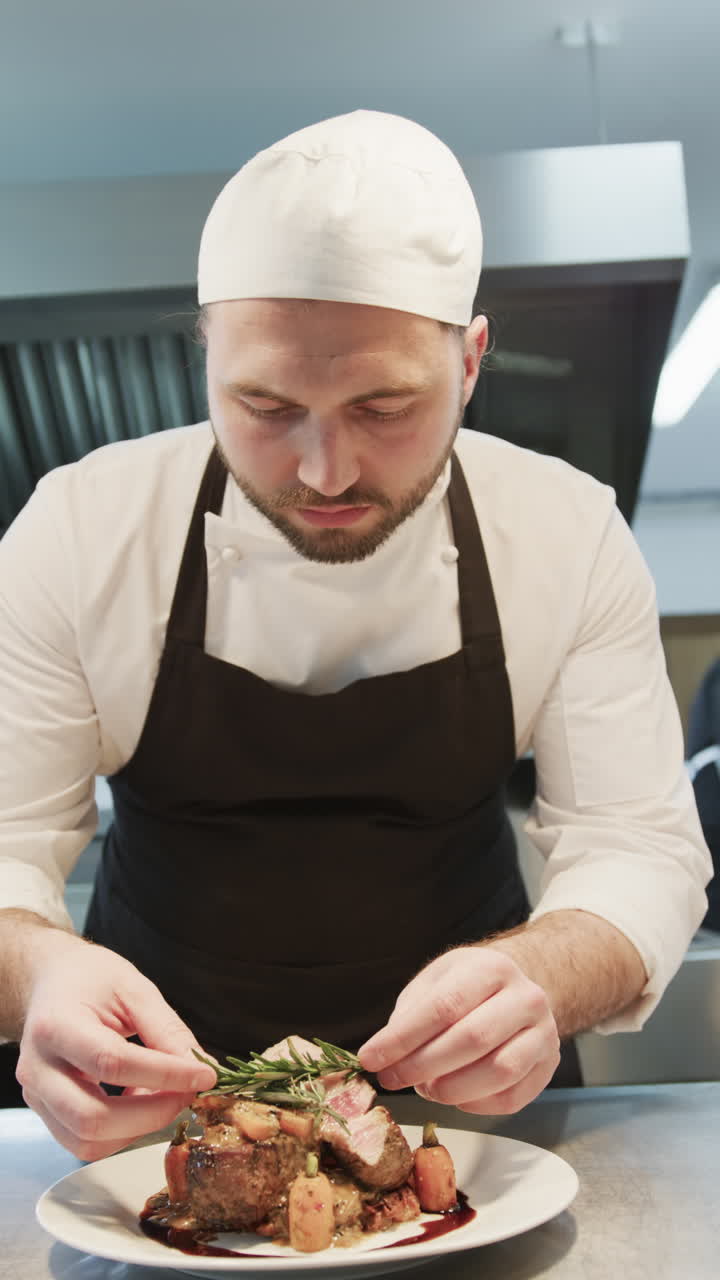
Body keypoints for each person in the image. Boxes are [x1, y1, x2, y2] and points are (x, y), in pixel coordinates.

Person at [0, 110, 711, 1162]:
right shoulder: (79, 530)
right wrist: (38, 974)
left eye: (384, 408)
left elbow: (638, 845)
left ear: (471, 361)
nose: (323, 469)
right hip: (158, 1119)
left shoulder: (565, 533)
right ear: (206, 358)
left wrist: (545, 978)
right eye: (263, 403)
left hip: (474, 1127)